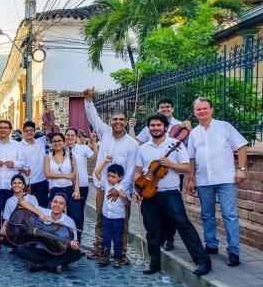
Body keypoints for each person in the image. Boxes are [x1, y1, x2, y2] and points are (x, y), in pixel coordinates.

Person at [134, 114, 211, 276]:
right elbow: (138, 172)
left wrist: (170, 164)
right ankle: (154, 263)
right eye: (152, 125)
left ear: (165, 128)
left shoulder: (176, 145)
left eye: (159, 125)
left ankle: (202, 261)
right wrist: (137, 189)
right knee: (152, 230)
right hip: (149, 194)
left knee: (183, 225)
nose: (155, 128)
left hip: (170, 193)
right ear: (149, 128)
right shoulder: (143, 148)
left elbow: (187, 168)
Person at [186, 97, 248, 267]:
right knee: (207, 215)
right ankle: (211, 245)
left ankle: (233, 251)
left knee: (229, 215)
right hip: (204, 180)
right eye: (198, 109)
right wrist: (191, 179)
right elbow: (191, 158)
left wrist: (241, 169)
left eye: (205, 108)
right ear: (195, 112)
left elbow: (241, 146)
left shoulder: (224, 127)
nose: (202, 112)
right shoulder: (194, 133)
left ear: (211, 110)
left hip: (226, 179)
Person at [83, 88, 138, 265]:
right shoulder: (104, 132)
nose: (118, 122)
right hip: (102, 186)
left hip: (122, 191)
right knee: (101, 218)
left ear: (125, 122)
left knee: (122, 222)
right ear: (111, 121)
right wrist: (88, 100)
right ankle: (101, 249)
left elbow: (130, 169)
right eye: (115, 119)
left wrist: (120, 189)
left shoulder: (131, 144)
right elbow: (93, 118)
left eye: (121, 119)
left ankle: (120, 253)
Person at [10, 193, 85, 273]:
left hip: (59, 251)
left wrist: (73, 244)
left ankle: (41, 266)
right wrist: (40, 213)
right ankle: (57, 264)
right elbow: (21, 202)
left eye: (61, 203)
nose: (57, 205)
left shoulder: (69, 222)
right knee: (19, 249)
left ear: (65, 207)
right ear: (51, 203)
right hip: (41, 250)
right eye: (55, 202)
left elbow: (75, 242)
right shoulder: (44, 211)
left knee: (76, 253)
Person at [94, 161, 129, 268]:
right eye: (109, 175)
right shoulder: (105, 183)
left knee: (118, 239)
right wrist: (104, 161)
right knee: (106, 237)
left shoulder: (123, 187)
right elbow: (96, 172)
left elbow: (128, 203)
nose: (110, 178)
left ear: (120, 177)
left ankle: (118, 258)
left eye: (113, 176)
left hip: (118, 218)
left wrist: (123, 196)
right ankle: (105, 255)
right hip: (106, 217)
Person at [65, 127, 97, 242]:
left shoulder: (83, 148)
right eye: (68, 135)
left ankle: (77, 239)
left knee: (79, 215)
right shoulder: (62, 149)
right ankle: (67, 238)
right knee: (68, 213)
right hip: (66, 185)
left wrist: (93, 141)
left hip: (82, 185)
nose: (69, 137)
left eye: (72, 135)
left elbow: (94, 158)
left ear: (76, 136)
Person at [44, 132, 80, 213]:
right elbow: (47, 174)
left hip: (70, 189)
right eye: (54, 141)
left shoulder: (71, 156)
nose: (56, 143)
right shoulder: (47, 157)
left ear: (64, 143)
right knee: (56, 215)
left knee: (75, 215)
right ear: (51, 143)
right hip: (55, 189)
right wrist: (65, 176)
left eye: (59, 141)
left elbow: (76, 174)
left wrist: (77, 189)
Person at [19, 121, 49, 208]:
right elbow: (14, 164)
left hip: (41, 181)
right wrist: (22, 170)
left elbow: (51, 133)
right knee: (27, 208)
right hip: (26, 182)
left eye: (31, 130)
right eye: (26, 130)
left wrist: (49, 120)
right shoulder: (18, 146)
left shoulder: (41, 142)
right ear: (23, 132)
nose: (29, 132)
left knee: (42, 207)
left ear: (35, 131)